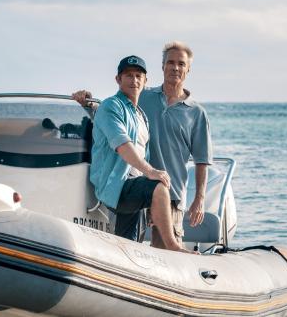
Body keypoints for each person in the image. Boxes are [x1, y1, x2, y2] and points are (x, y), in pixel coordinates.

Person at [74, 41, 212, 249]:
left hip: (170, 191)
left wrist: (199, 198)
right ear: (163, 66)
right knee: (132, 246)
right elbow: (113, 115)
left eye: (181, 64)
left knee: (163, 252)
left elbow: (202, 160)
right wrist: (87, 103)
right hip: (135, 182)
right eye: (171, 62)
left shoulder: (196, 113)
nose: (175, 67)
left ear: (188, 69)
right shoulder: (142, 96)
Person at [88, 55, 189, 252]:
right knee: (159, 186)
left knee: (129, 246)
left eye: (138, 76)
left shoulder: (141, 116)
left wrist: (152, 203)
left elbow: (144, 154)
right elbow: (122, 145)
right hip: (117, 186)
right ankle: (174, 247)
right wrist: (151, 172)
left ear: (145, 81)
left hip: (134, 186)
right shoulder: (111, 106)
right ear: (118, 79)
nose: (134, 80)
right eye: (128, 76)